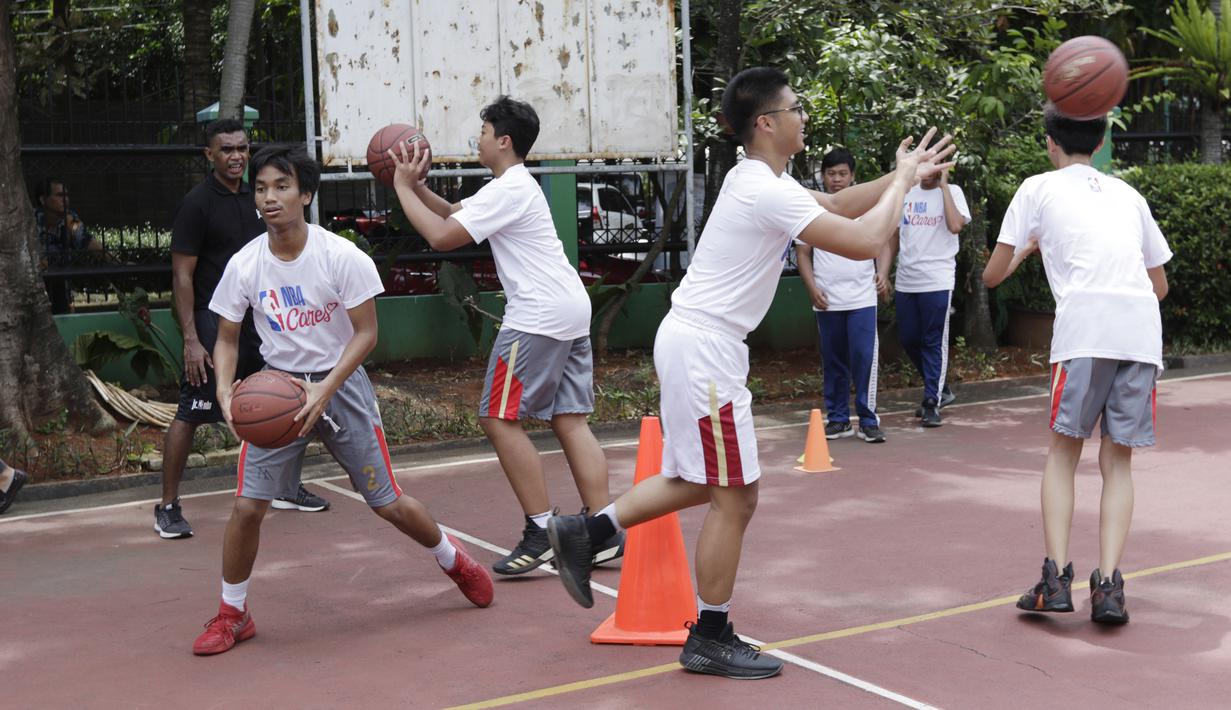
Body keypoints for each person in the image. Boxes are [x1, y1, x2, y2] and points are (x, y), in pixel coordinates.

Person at [544, 67, 953, 679]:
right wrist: (901, 181)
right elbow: (868, 238)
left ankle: (587, 530)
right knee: (737, 495)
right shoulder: (765, 188)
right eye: (796, 108)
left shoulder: (760, 179)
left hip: (699, 344)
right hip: (705, 350)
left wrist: (902, 177)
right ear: (767, 122)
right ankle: (710, 635)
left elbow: (842, 203)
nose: (804, 116)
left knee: (701, 479)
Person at [192, 144, 493, 656]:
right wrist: (223, 389)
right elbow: (225, 336)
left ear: (305, 194)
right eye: (261, 188)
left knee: (388, 504)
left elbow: (366, 335)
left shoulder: (340, 255)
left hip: (340, 385)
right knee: (247, 507)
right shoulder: (247, 264)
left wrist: (324, 389)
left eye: (282, 187)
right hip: (278, 390)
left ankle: (453, 559)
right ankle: (232, 613)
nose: (270, 198)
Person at [388, 96, 623, 576]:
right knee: (571, 420)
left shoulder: (509, 188)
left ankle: (540, 531)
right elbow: (455, 212)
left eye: (482, 131)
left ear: (504, 140)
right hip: (569, 308)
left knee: (497, 417)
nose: (477, 139)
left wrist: (400, 189)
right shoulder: (513, 186)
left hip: (537, 315)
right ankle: (602, 534)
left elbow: (440, 236)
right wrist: (418, 187)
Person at [984, 105, 1171, 625]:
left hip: (1085, 328)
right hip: (1139, 330)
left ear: (1050, 142)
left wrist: (1027, 249)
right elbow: (1159, 286)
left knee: (1063, 453)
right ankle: (1109, 589)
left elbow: (992, 275)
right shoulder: (1128, 195)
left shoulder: (1037, 188)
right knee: (1118, 462)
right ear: (1103, 140)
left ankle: (1055, 580)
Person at [157, 118, 329, 540]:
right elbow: (182, 276)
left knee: (286, 397)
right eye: (226, 149)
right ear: (209, 156)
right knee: (192, 412)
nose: (236, 156)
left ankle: (287, 488)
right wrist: (192, 340)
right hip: (214, 322)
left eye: (242, 149)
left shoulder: (261, 200)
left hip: (261, 319)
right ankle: (167, 505)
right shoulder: (198, 204)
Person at [794, 148, 888, 443]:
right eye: (831, 174)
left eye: (842, 174)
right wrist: (812, 288)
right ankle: (837, 419)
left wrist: (883, 272)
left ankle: (868, 419)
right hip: (827, 299)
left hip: (862, 299)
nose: (837, 180)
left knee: (864, 358)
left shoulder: (869, 207)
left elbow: (883, 242)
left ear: (853, 176)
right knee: (833, 361)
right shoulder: (813, 208)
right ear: (823, 177)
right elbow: (803, 253)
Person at [878, 162, 971, 427]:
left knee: (932, 341)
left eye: (936, 168)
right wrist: (884, 272)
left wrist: (943, 188)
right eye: (927, 167)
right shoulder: (907, 193)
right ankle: (940, 388)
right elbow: (893, 236)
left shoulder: (953, 192)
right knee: (908, 338)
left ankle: (932, 402)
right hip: (908, 279)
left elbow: (955, 226)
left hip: (938, 279)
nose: (931, 172)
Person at [33, 177, 103, 313]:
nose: (65, 200)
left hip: (61, 287)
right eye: (59, 195)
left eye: (66, 195)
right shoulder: (31, 220)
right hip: (37, 286)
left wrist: (115, 261)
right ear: (43, 200)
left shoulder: (70, 219)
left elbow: (86, 240)